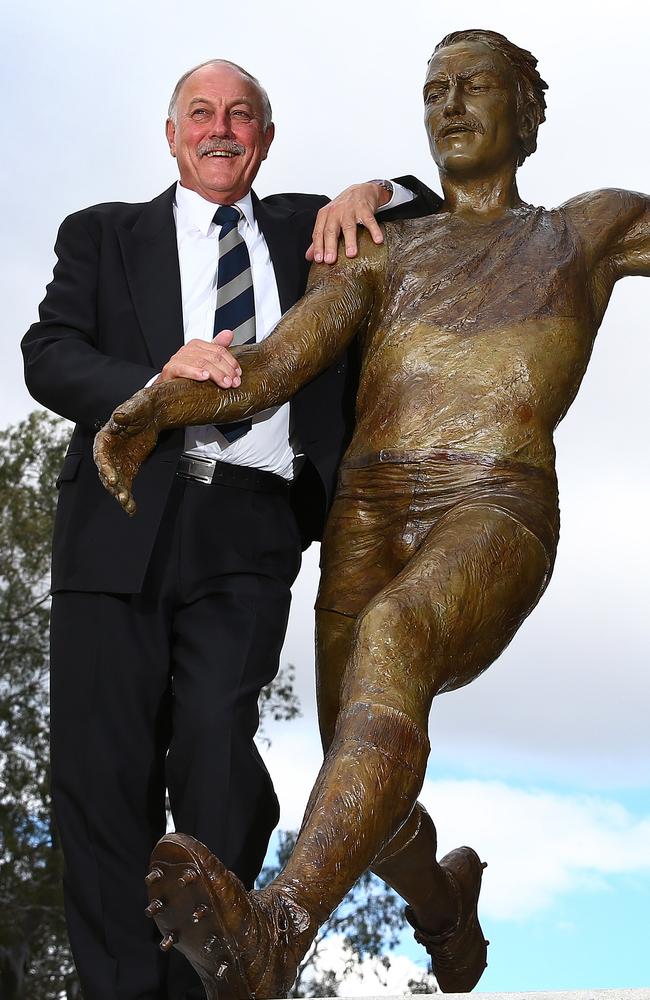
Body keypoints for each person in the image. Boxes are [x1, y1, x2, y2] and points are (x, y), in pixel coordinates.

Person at [97, 29, 650, 998]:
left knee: (395, 636)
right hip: (364, 513)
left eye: (474, 85)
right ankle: (444, 909)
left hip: (491, 501)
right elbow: (269, 367)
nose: (448, 103)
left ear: (528, 112)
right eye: (433, 88)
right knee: (362, 786)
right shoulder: (375, 249)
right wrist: (153, 403)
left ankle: (276, 929)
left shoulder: (583, 228)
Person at [21, 58, 439, 1000]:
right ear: (172, 136)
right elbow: (48, 356)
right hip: (118, 521)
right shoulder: (101, 234)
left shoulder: (308, 229)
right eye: (201, 114)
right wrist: (153, 380)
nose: (221, 129)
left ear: (266, 138)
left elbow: (440, 201)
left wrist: (367, 190)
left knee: (216, 747)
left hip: (250, 527)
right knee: (104, 773)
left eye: (241, 116)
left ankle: (210, 978)